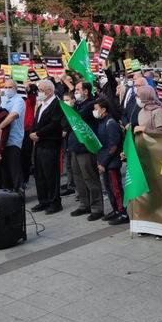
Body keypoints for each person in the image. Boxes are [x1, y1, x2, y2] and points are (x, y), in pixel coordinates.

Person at [67, 82, 104, 221]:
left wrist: (69, 109)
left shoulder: (90, 104)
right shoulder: (76, 105)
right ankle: (84, 204)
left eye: (77, 89)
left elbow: (76, 119)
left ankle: (97, 207)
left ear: (86, 91)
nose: (75, 92)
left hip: (85, 148)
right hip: (74, 146)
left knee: (90, 177)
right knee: (78, 177)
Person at [29, 79, 65, 214]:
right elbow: (35, 121)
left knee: (51, 174)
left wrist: (38, 133)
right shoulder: (41, 105)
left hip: (50, 143)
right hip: (38, 144)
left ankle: (55, 202)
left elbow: (55, 124)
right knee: (40, 174)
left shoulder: (57, 104)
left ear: (49, 91)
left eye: (41, 90)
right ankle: (43, 201)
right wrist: (32, 132)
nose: (39, 93)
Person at [94, 97, 128, 225]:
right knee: (108, 188)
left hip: (111, 163)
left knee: (116, 188)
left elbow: (113, 146)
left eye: (96, 109)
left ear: (103, 109)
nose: (95, 111)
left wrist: (104, 162)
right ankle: (115, 210)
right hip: (104, 161)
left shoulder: (111, 123)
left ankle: (123, 212)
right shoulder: (102, 121)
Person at [0, 80, 26, 192]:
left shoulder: (19, 101)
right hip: (1, 140)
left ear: (15, 88)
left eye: (10, 87)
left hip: (14, 139)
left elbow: (13, 115)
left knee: (14, 169)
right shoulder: (3, 99)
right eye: (5, 87)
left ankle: (19, 194)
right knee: (5, 170)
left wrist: (0, 126)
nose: (7, 89)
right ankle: (8, 196)